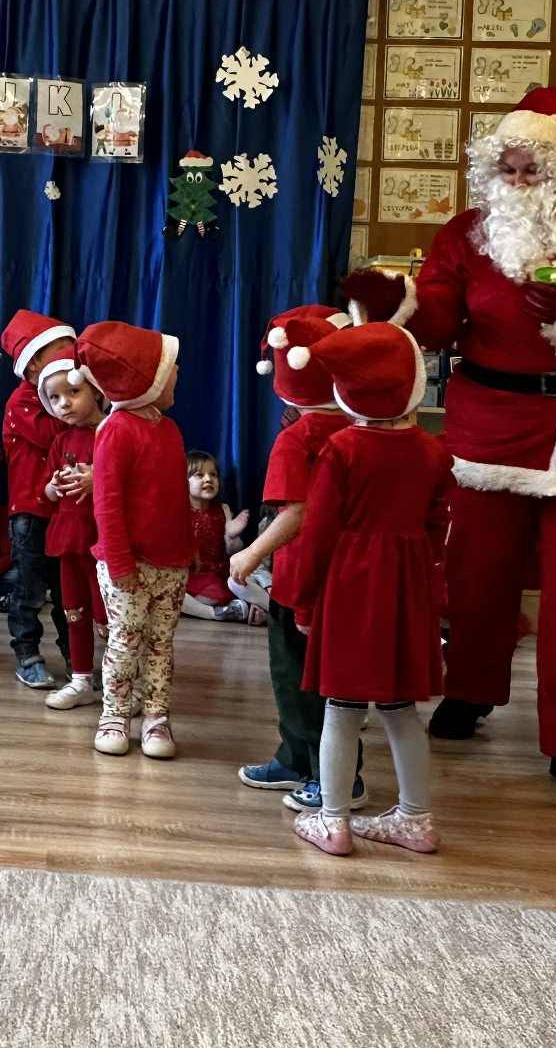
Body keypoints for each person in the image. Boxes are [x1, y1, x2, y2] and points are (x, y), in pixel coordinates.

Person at [345, 87, 556, 806]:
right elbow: (441, 318)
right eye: (505, 167)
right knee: (477, 576)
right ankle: (471, 689)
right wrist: (399, 306)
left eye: (531, 166)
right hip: (491, 427)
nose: (516, 178)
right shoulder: (467, 233)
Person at [286, 323, 452, 857]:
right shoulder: (432, 452)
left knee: (342, 707)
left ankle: (333, 820)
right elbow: (437, 529)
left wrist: (305, 601)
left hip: (352, 590)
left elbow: (318, 534)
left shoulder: (341, 449)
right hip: (407, 591)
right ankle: (416, 819)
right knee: (401, 710)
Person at [230, 307, 365, 813]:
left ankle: (331, 777)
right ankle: (295, 758)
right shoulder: (358, 428)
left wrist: (251, 552)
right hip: (344, 574)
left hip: (300, 578)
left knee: (300, 679)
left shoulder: (297, 438)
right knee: (326, 678)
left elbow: (297, 513)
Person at [76, 320, 190, 758]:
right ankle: (115, 715)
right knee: (124, 642)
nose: (178, 373)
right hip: (128, 566)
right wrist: (121, 564)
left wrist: (189, 551)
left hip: (171, 564)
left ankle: (156, 717)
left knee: (161, 644)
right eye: (171, 368)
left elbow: (175, 498)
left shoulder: (169, 429)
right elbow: (106, 504)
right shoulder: (116, 430)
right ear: (148, 380)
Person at [0, 310, 77, 690]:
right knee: (29, 590)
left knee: (68, 591)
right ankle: (27, 654)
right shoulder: (23, 402)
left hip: (65, 512)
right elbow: (55, 433)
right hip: (30, 513)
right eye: (61, 351)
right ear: (33, 367)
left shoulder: (71, 399)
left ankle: (76, 658)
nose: (71, 358)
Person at [38, 357, 105, 712]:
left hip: (103, 543)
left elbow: (128, 483)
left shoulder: (110, 432)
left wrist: (97, 480)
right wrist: (53, 486)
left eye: (73, 392)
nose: (64, 403)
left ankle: (122, 680)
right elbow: (46, 494)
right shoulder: (60, 440)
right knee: (73, 612)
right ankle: (81, 679)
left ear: (96, 391)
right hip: (68, 540)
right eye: (55, 397)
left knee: (108, 614)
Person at [179, 450, 259, 623]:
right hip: (188, 576)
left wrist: (231, 536)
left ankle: (220, 609)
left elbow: (233, 551)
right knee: (172, 594)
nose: (208, 479)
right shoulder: (179, 511)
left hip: (215, 577)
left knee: (217, 592)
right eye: (199, 475)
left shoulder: (223, 509)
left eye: (213, 474)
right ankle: (215, 613)